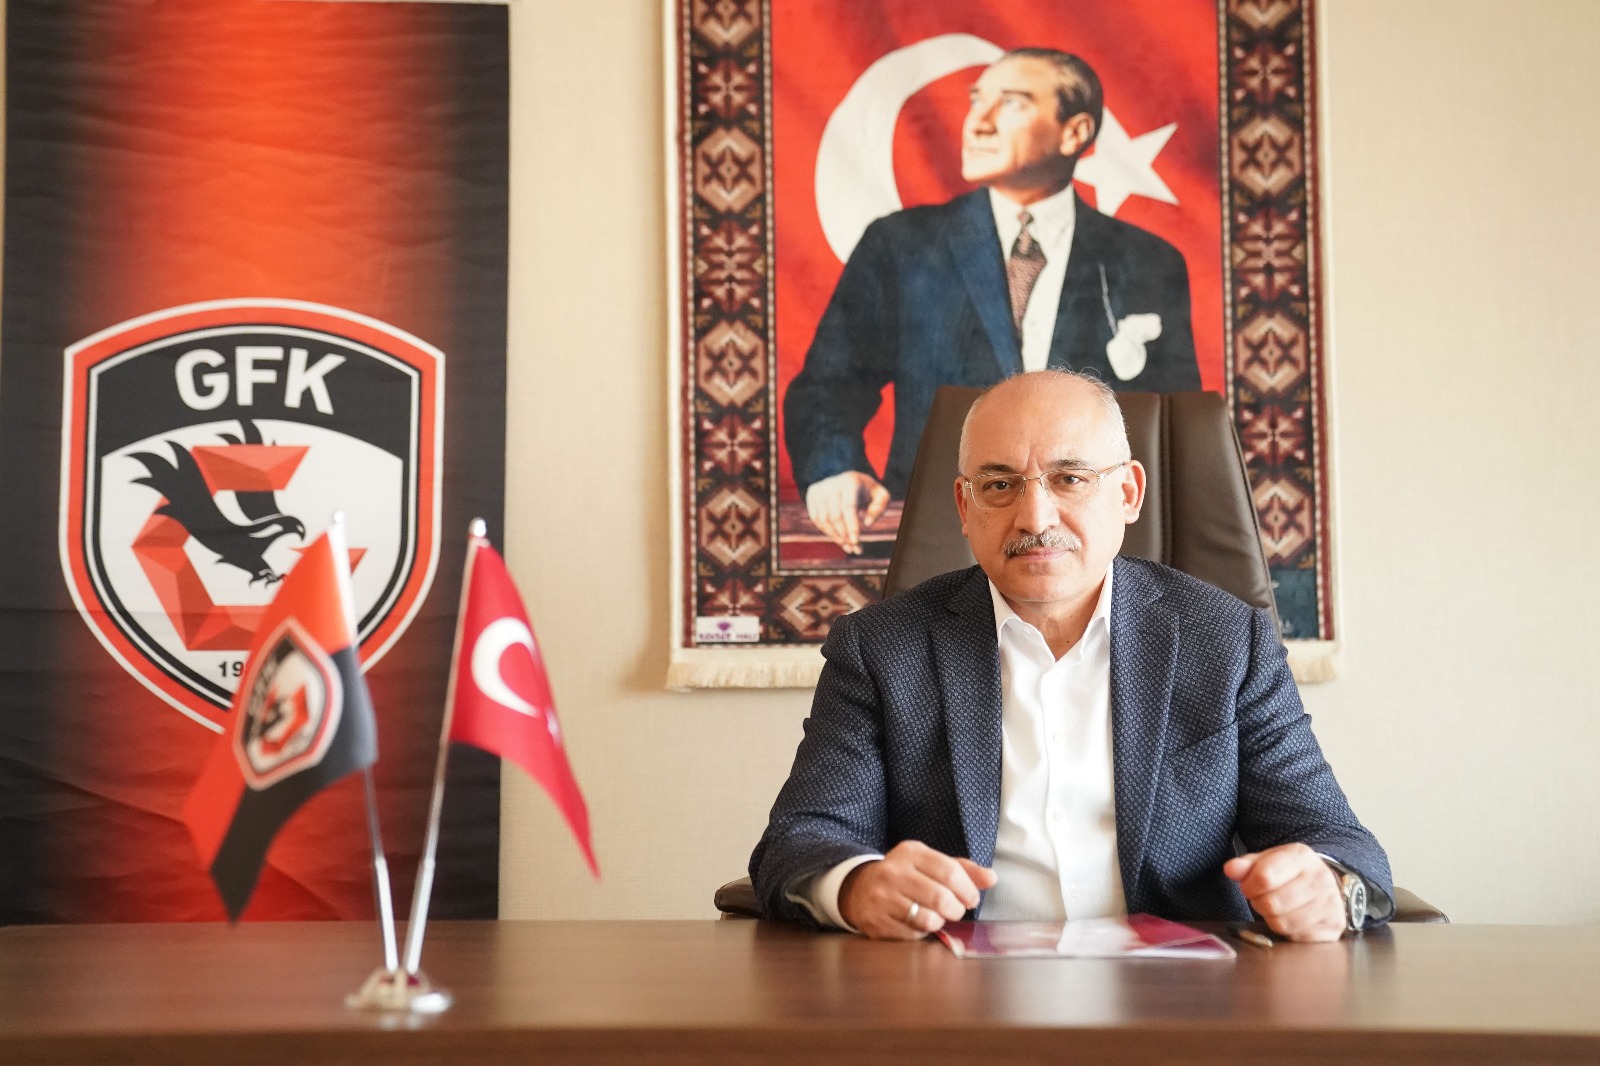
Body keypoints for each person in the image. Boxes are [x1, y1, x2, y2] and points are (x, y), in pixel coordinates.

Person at [752, 370, 1392, 942]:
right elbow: (799, 842)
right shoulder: (881, 648)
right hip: (958, 999)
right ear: (964, 508)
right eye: (999, 484)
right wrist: (859, 886)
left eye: (1070, 479)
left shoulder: (1225, 641)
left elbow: (1341, 843)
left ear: (1129, 493)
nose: (1035, 517)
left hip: (1178, 1000)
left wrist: (1328, 888)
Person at [786, 47, 1202, 556]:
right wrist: (833, 469)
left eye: (1012, 103)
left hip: (1097, 553)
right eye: (976, 101)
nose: (977, 123)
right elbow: (829, 386)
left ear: (1074, 132)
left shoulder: (1147, 260)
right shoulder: (902, 246)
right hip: (937, 541)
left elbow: (1177, 426)